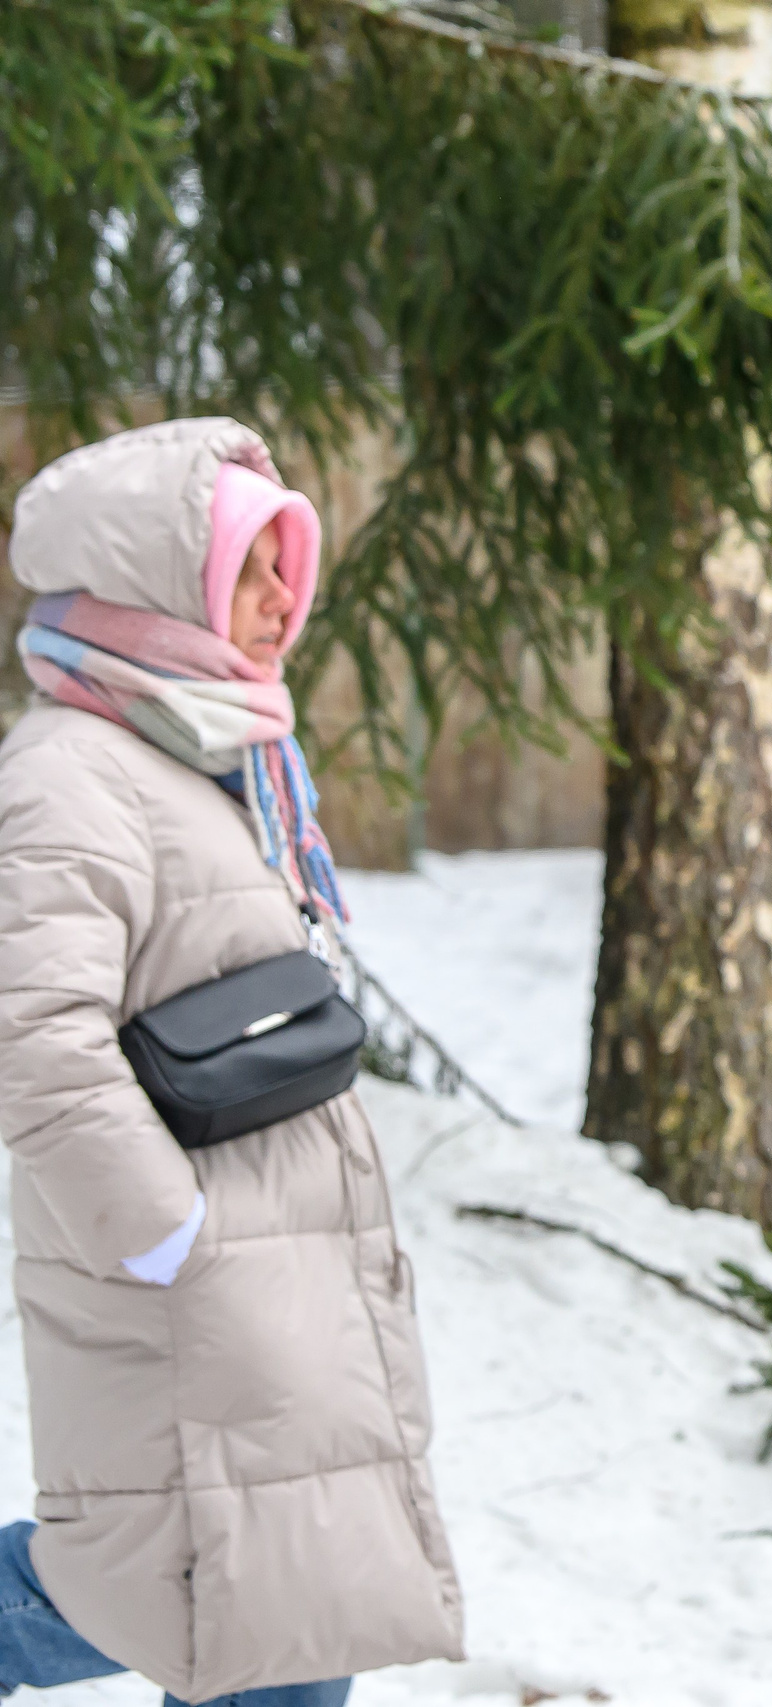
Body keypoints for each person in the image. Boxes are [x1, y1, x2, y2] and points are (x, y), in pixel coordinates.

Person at [0, 419, 466, 1703]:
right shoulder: (71, 771)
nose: (283, 601)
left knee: (289, 1603)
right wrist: (166, 1238)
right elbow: (34, 1033)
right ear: (162, 577)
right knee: (157, 1590)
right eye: (252, 567)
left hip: (278, 1298)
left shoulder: (209, 752)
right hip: (196, 1300)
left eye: (285, 567)